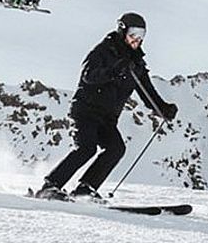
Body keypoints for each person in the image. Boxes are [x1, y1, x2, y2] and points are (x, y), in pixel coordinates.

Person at [35, 12, 179, 202]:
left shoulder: (136, 65)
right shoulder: (104, 51)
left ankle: (85, 189)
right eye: (133, 33)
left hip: (107, 118)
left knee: (116, 148)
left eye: (141, 35)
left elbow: (147, 93)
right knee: (86, 148)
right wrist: (114, 70)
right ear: (122, 30)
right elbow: (89, 75)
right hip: (86, 110)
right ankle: (50, 186)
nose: (137, 39)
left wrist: (163, 109)